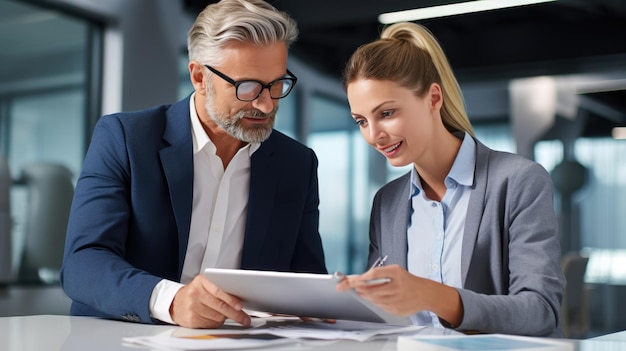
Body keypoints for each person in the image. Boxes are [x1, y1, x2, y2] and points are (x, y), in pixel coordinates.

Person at [60, 0, 326, 329]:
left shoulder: (296, 164)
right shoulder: (125, 139)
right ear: (200, 76)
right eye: (248, 87)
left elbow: (307, 278)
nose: (266, 103)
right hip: (124, 337)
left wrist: (339, 299)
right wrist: (172, 301)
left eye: (276, 84)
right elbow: (83, 263)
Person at [336, 22, 564, 337]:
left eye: (386, 113)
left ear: (432, 99)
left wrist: (432, 295)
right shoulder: (387, 202)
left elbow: (541, 312)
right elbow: (382, 315)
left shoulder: (518, 181)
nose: (373, 135)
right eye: (361, 121)